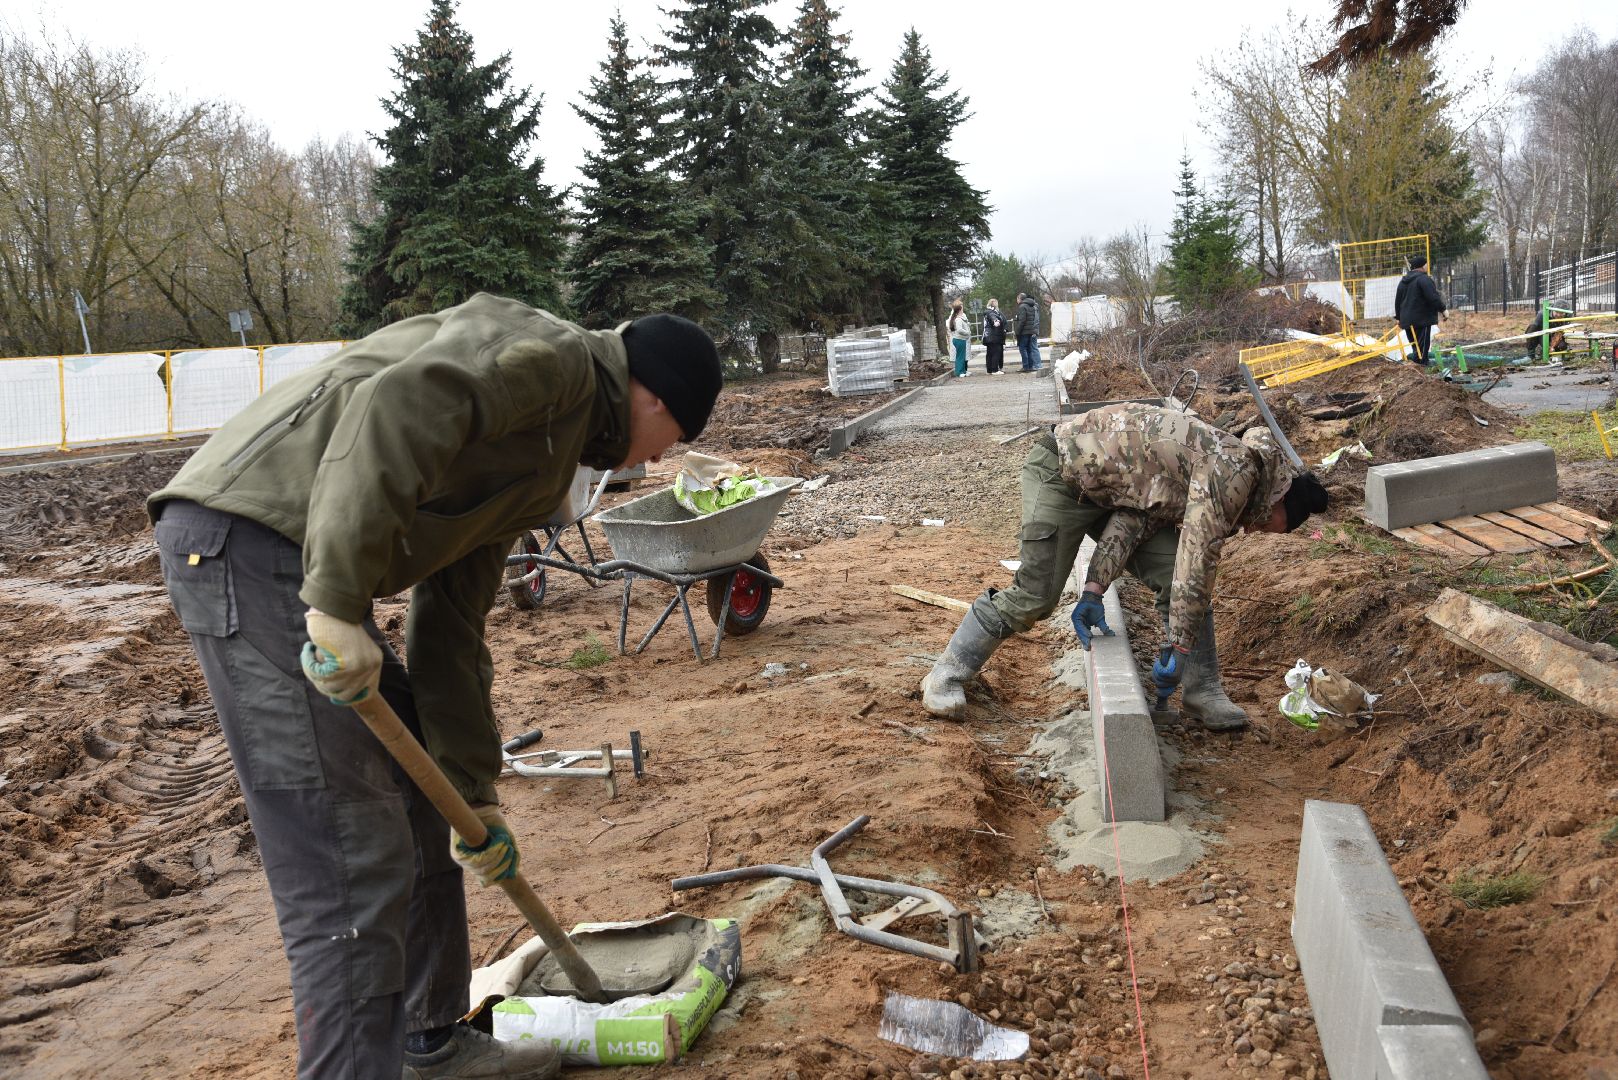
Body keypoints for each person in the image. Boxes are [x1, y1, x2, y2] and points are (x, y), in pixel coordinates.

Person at [147, 294, 722, 1080]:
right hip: (251, 538)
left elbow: (452, 620)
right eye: (674, 438)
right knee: (352, 856)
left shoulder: (551, 452)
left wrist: (471, 789)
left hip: (295, 549)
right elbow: (397, 404)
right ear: (655, 398)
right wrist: (338, 601)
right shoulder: (555, 362)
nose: (655, 460)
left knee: (423, 805)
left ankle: (432, 1043)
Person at [920, 403, 1330, 731]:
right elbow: (1199, 555)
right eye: (1275, 528)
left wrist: (1095, 588)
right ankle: (947, 673)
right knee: (1036, 596)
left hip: (1114, 495)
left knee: (1173, 573)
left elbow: (1140, 515)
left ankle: (1202, 691)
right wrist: (1180, 646)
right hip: (1063, 474)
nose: (1261, 533)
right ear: (1280, 502)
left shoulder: (1237, 473)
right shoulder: (1233, 472)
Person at [1393, 255, 1446, 365]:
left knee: (1415, 347)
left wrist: (1398, 317)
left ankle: (1417, 368)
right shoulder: (1424, 279)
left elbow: (1398, 301)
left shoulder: (1403, 281)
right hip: (1422, 319)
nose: (1427, 266)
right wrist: (1443, 309)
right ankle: (1422, 370)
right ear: (1423, 265)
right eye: (1426, 264)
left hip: (1407, 321)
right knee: (1422, 349)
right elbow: (1433, 297)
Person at [1013, 292, 1040, 372]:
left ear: (1020, 299)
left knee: (1022, 348)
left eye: (1017, 298)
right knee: (1029, 349)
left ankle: (1025, 367)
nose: (1016, 300)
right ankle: (1030, 366)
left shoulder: (1022, 306)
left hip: (1024, 331)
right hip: (1031, 330)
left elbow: (1022, 320)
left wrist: (1017, 331)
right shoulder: (1031, 305)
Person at [981, 299, 1008, 375]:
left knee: (990, 353)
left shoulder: (993, 312)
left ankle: (989, 370)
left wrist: (1004, 329)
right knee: (996, 352)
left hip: (990, 336)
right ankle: (994, 370)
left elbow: (1004, 320)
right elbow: (993, 317)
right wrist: (995, 321)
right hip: (994, 336)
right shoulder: (991, 312)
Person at [949, 298, 971, 377]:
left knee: (962, 356)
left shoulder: (959, 317)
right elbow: (959, 330)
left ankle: (963, 371)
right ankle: (959, 372)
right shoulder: (958, 319)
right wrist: (968, 333)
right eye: (962, 308)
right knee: (960, 357)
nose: (963, 309)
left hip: (961, 339)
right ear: (959, 310)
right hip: (959, 339)